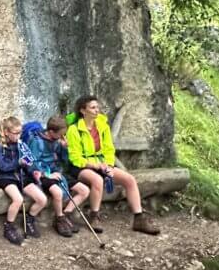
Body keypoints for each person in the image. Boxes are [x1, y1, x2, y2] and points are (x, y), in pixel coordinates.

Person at [65, 95, 161, 235]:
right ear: (83, 111)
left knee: (129, 180)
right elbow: (75, 157)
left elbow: (109, 149)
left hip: (103, 164)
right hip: (81, 166)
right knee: (97, 180)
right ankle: (94, 216)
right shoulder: (74, 130)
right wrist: (96, 166)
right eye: (93, 107)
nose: (97, 110)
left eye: (97, 107)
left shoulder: (103, 126)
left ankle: (139, 218)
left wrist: (109, 165)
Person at [26, 115, 91, 237]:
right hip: (42, 173)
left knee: (84, 190)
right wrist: (47, 175)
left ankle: (66, 214)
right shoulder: (36, 141)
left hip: (57, 171)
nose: (62, 137)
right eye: (60, 134)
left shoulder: (57, 141)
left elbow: (65, 161)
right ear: (51, 131)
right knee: (57, 193)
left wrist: (64, 148)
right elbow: (31, 164)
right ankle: (59, 219)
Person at [0, 116, 47, 245]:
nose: (18, 135)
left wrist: (34, 171)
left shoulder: (21, 144)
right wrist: (19, 162)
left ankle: (29, 219)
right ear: (6, 132)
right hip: (6, 177)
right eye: (15, 133)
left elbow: (29, 162)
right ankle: (9, 226)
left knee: (42, 199)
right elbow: (3, 166)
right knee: (18, 199)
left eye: (20, 132)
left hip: (21, 176)